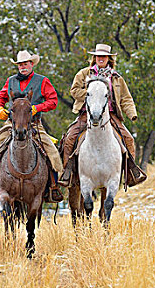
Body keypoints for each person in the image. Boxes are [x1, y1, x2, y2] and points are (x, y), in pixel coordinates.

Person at [0, 50, 64, 202]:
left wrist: (37, 108)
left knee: (51, 151)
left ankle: (54, 187)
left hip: (34, 124)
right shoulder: (11, 81)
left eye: (25, 64)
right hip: (11, 124)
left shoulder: (42, 81)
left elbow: (53, 101)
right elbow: (0, 98)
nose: (23, 67)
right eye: (20, 64)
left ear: (31, 64)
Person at [58, 43, 146, 187]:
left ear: (109, 58)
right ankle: (67, 173)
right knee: (70, 138)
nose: (101, 58)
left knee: (128, 139)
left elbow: (126, 98)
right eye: (98, 56)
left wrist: (132, 114)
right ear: (94, 57)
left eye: (104, 56)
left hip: (110, 115)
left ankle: (130, 173)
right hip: (87, 114)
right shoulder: (84, 73)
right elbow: (74, 90)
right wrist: (90, 95)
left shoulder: (117, 78)